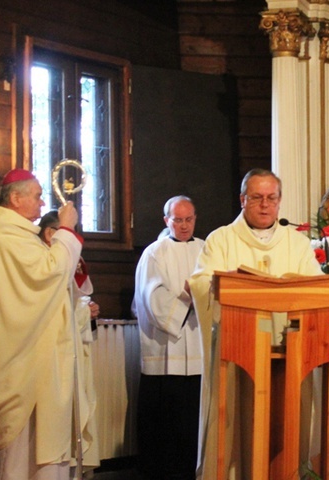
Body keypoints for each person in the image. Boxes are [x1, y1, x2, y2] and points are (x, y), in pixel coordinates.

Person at [188, 169, 323, 479]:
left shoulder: (296, 243)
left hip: (288, 355)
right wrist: (225, 287)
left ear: (279, 201)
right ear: (242, 200)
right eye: (257, 198)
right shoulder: (221, 239)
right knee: (235, 423)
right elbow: (200, 282)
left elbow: (317, 288)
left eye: (271, 198)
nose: (265, 205)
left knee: (287, 424)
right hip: (237, 357)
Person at [0, 169, 83, 479]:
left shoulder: (14, 235)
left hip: (35, 361)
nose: (42, 203)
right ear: (15, 198)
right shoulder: (6, 236)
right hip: (22, 366)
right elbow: (49, 272)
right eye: (37, 196)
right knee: (21, 461)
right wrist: (67, 228)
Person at [133, 195, 205, 480]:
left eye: (189, 219)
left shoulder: (206, 249)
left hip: (199, 352)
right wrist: (187, 296)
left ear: (195, 219)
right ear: (167, 221)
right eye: (177, 219)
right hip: (166, 356)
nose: (184, 225)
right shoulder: (154, 252)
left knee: (193, 427)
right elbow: (153, 299)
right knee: (165, 428)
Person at [38, 210, 101, 473]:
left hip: (72, 348)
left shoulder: (67, 259)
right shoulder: (42, 261)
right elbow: (53, 308)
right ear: (50, 233)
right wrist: (84, 311)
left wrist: (87, 310)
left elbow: (76, 297)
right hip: (50, 355)